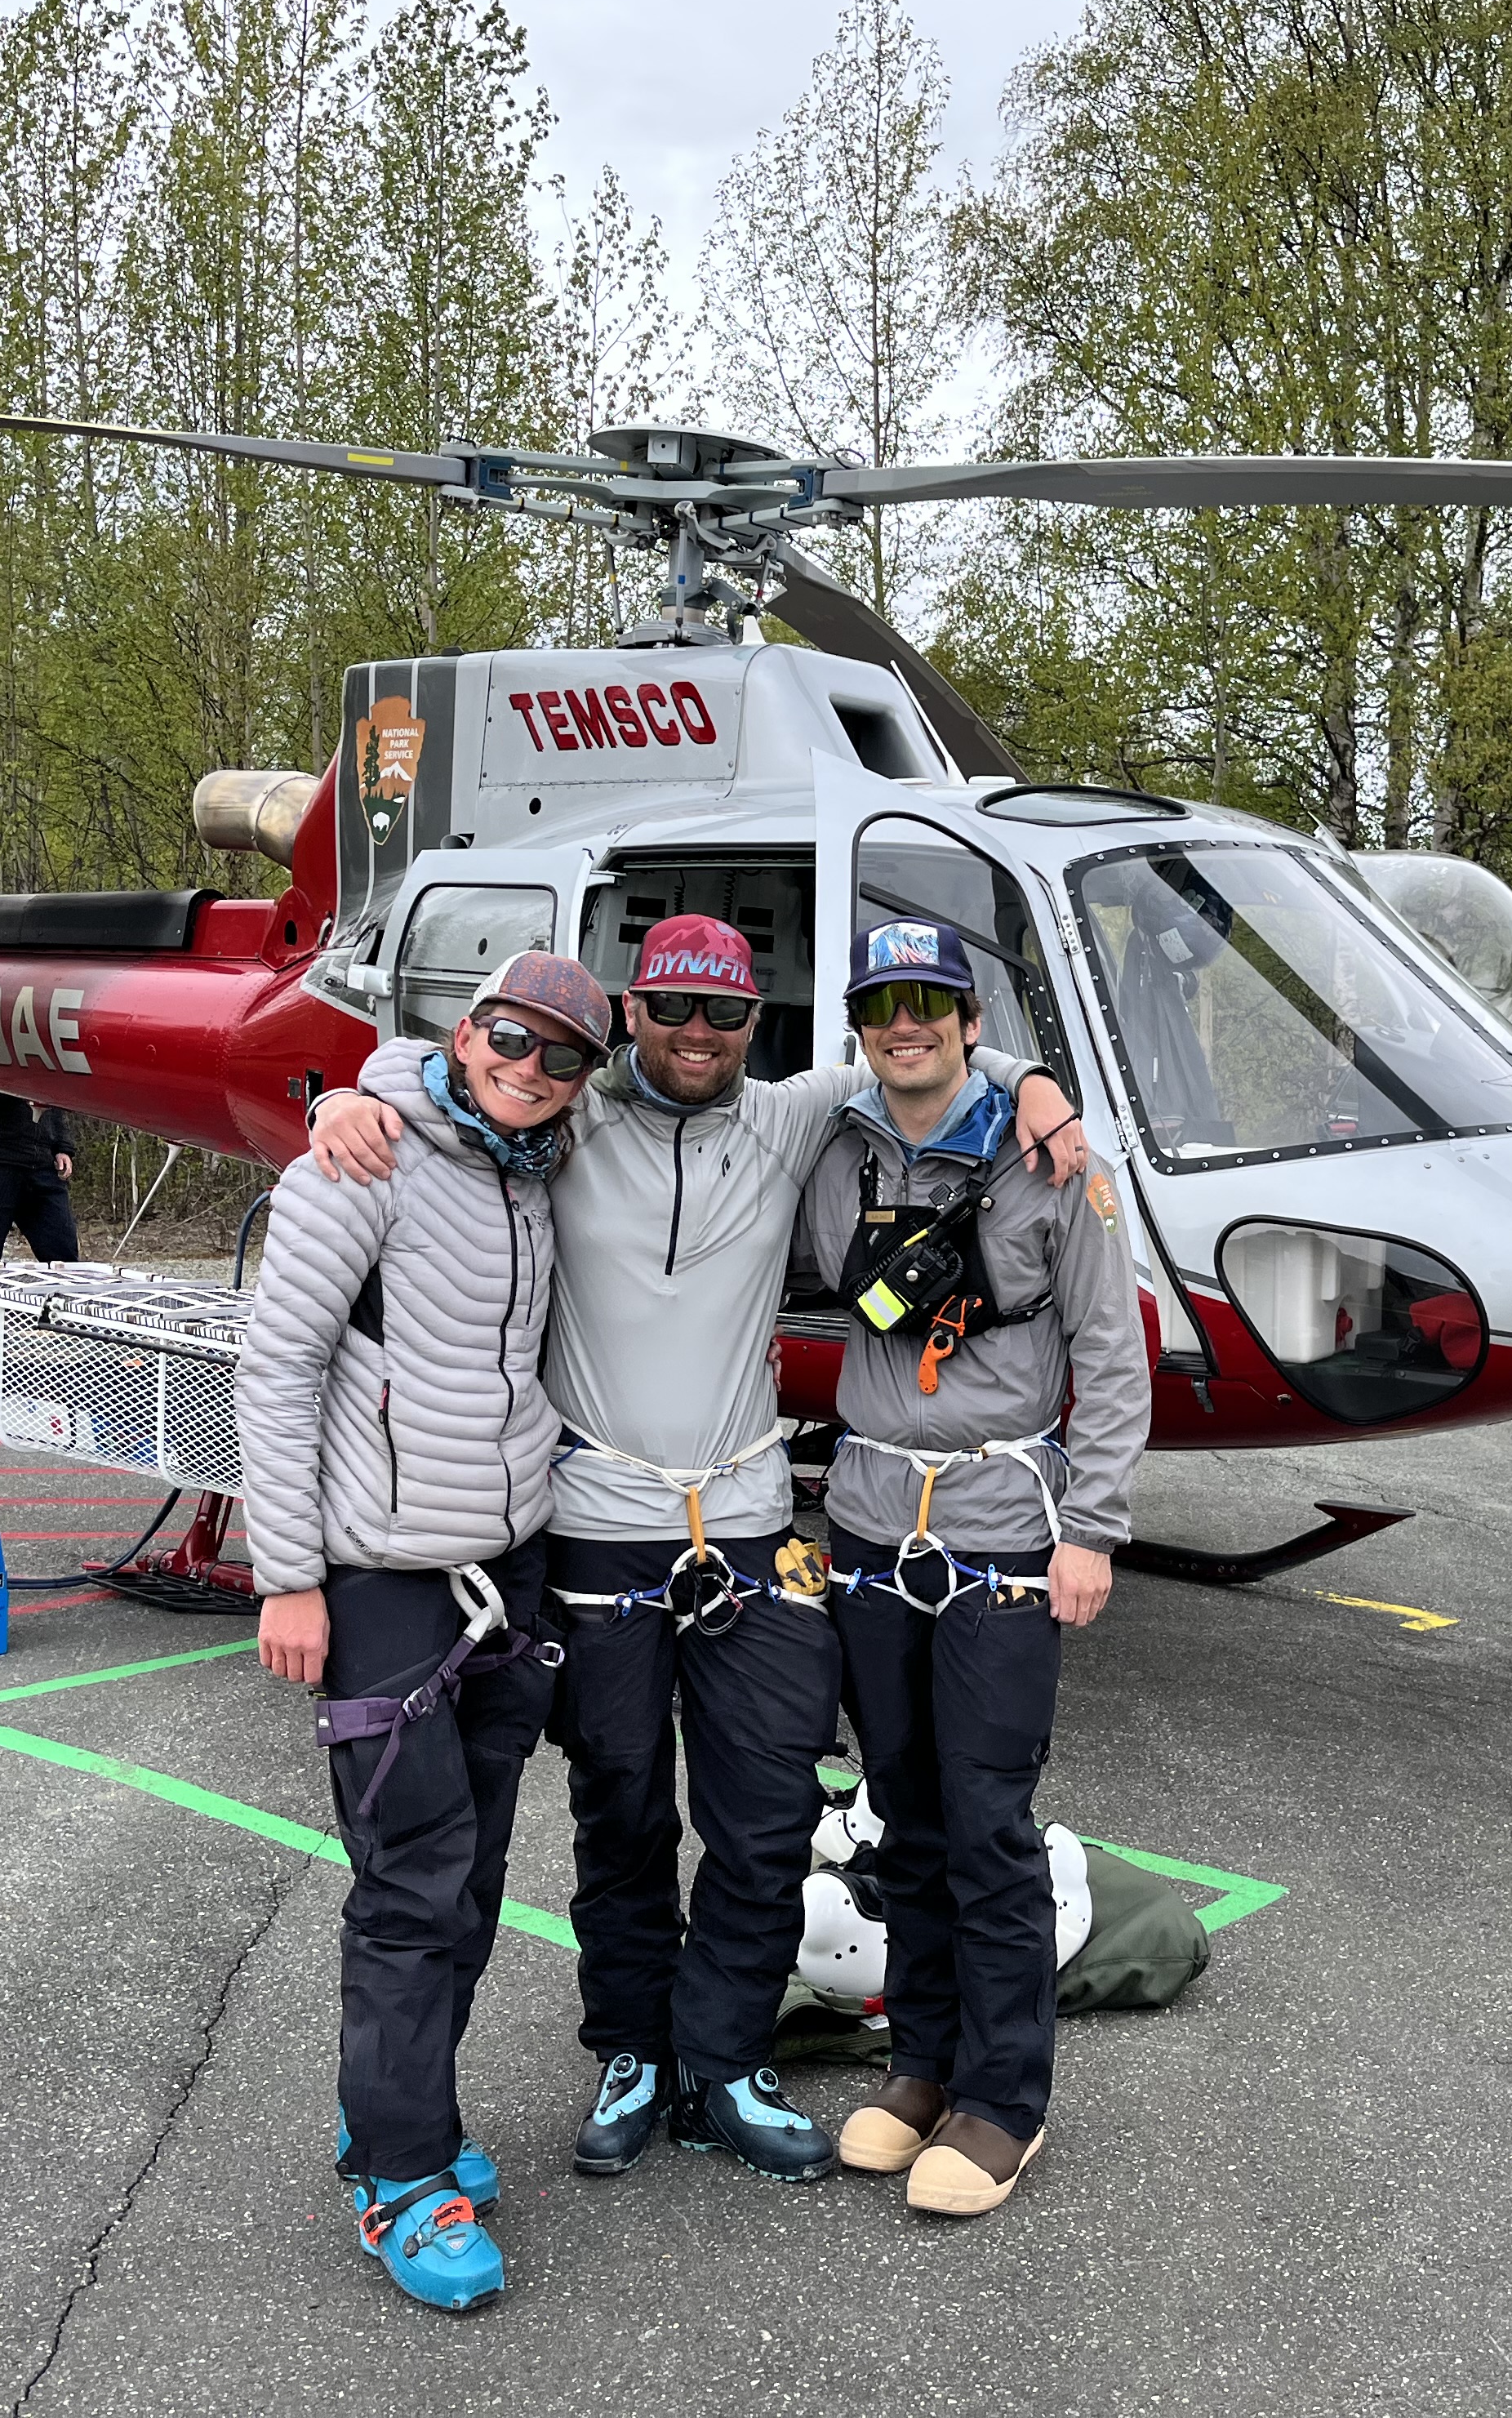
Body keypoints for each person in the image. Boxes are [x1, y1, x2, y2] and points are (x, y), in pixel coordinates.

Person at [307, 915, 1084, 2189]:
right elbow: (459, 1076)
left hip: (750, 1525)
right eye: (669, 1009)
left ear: (754, 1029)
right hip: (598, 1532)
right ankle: (633, 2048)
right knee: (620, 1812)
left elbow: (927, 1061)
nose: (696, 1035)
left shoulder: (784, 1121)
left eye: (726, 1015)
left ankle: (722, 2056)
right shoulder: (570, 1125)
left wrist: (1039, 1086)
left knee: (770, 1813)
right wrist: (359, 1086)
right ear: (631, 1015)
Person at [237, 950, 607, 2316]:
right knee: (410, 1878)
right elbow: (274, 1365)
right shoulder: (359, 1160)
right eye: (511, 1036)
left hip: (508, 1564)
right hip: (382, 1576)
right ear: (465, 1031)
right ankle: (401, 2175)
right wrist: (288, 1575)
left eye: (563, 1053)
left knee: (475, 1866)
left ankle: (398, 2109)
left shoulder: (545, 1168)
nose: (529, 1066)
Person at [803, 917, 1147, 2219]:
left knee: (991, 1824)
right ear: (860, 1020)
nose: (907, 1025)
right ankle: (926, 2068)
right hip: (875, 1525)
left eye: (931, 1005)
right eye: (883, 1003)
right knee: (907, 1814)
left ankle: (1007, 2101)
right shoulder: (837, 1148)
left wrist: (1095, 1529)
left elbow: (1111, 1357)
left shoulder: (1054, 1165)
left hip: (1004, 1528)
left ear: (966, 1020)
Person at [0, 1088, 77, 1262]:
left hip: (43, 1166)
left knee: (64, 1255)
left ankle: (65, 1289)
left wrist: (62, 1147)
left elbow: (55, 1103)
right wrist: (26, 1084)